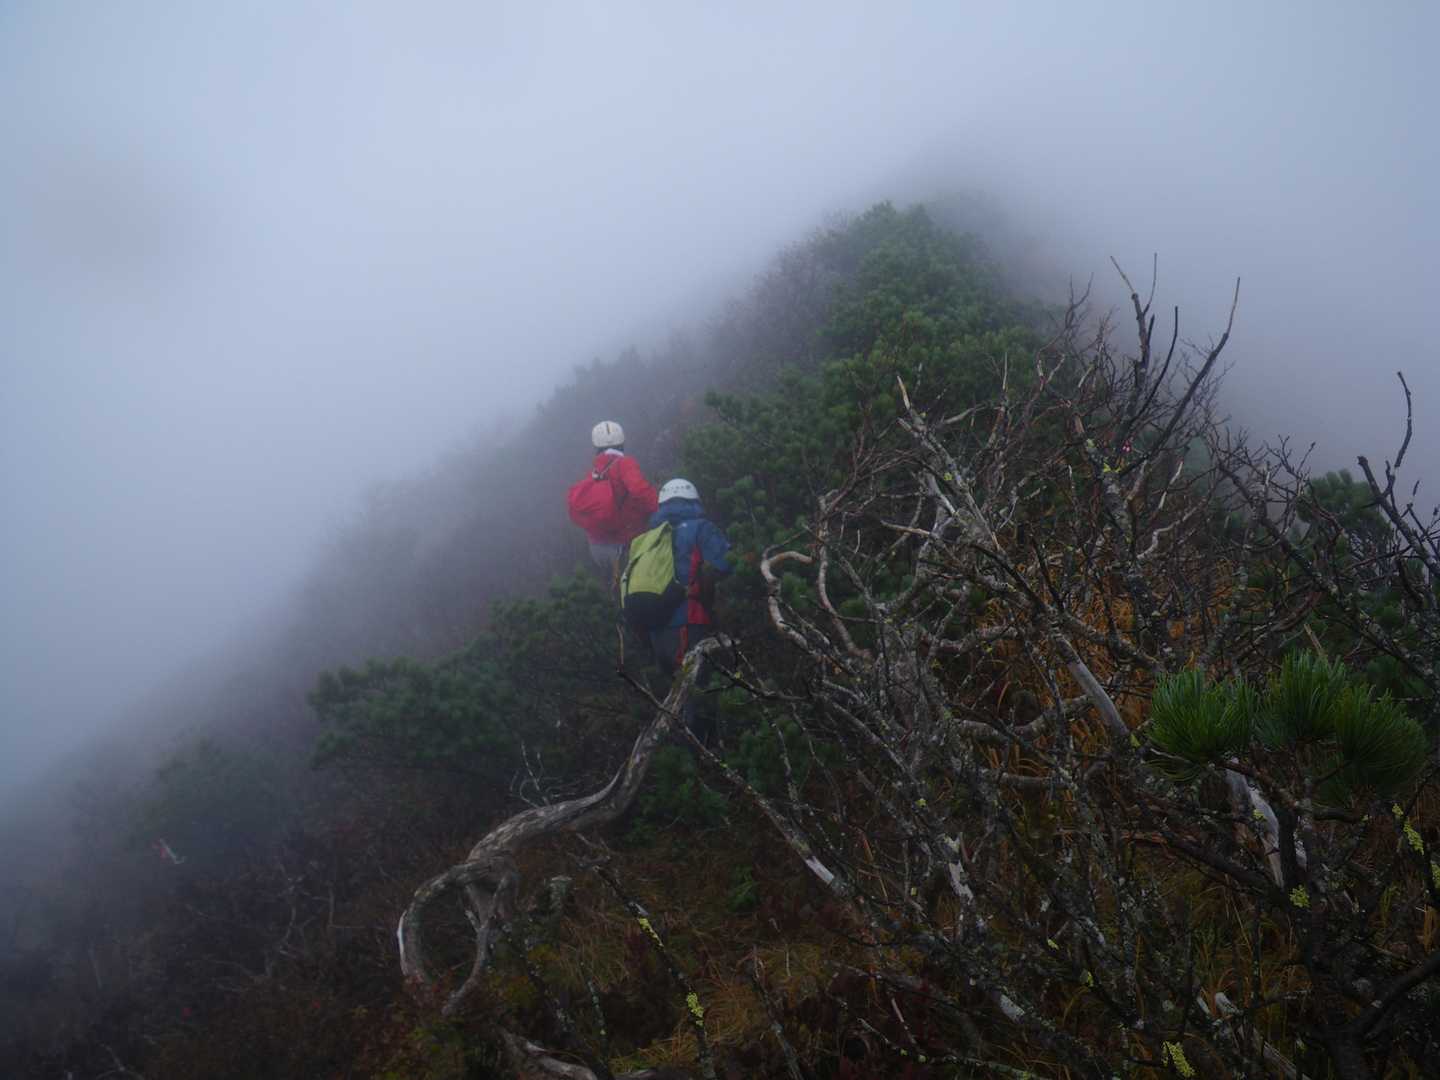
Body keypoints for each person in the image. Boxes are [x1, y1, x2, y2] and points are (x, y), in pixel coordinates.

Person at [645, 478, 733, 741]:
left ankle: (679, 750)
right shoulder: (700, 528)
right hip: (688, 622)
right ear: (694, 501)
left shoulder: (648, 537)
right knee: (696, 694)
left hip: (655, 629)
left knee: (676, 697)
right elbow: (726, 563)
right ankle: (702, 756)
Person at [567, 420, 658, 580]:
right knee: (638, 586)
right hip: (625, 543)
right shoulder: (625, 464)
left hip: (597, 547)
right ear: (622, 442)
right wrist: (662, 508)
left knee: (614, 586)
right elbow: (640, 491)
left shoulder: (595, 472)